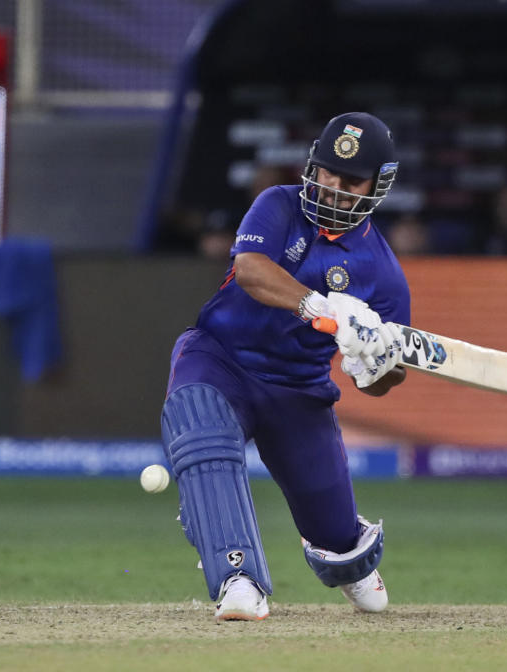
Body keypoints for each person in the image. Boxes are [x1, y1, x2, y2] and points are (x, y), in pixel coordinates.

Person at [160, 112, 411, 622]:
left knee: (337, 537)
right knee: (202, 432)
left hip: (298, 391)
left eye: (351, 181)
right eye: (326, 173)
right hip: (220, 358)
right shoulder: (277, 205)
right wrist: (321, 309)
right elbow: (251, 271)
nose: (334, 189)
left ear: (377, 185)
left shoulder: (383, 274)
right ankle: (238, 578)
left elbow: (390, 379)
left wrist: (376, 366)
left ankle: (350, 556)